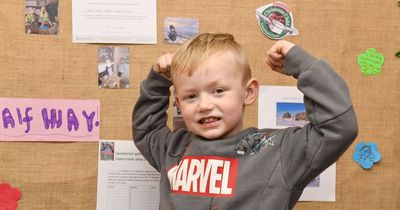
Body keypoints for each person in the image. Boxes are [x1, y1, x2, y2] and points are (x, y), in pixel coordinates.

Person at [132, 32, 358, 209]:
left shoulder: (277, 151)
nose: (204, 105)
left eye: (218, 90)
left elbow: (338, 127)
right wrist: (158, 82)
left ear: (248, 93)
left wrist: (304, 65)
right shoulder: (173, 149)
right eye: (191, 96)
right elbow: (146, 129)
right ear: (179, 104)